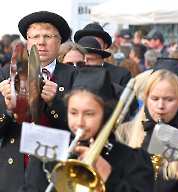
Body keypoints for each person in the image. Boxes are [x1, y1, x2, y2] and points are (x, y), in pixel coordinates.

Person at [19, 67, 154, 192]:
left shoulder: (133, 160)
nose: (79, 122)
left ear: (106, 115)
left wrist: (109, 177)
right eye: (73, 112)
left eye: (89, 114)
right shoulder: (48, 151)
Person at [0, 11, 74, 192]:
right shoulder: (6, 73)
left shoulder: (74, 76)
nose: (41, 42)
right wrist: (10, 111)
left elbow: (79, 130)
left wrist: (55, 103)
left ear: (59, 42)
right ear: (27, 41)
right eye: (35, 36)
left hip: (52, 169)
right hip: (14, 170)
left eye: (48, 36)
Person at [116, 68, 178, 192]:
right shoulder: (124, 133)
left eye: (169, 99)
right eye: (155, 99)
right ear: (146, 99)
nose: (160, 106)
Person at [74, 22, 132, 87]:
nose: (90, 43)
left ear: (105, 46)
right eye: (85, 41)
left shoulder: (121, 75)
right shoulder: (71, 72)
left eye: (94, 42)